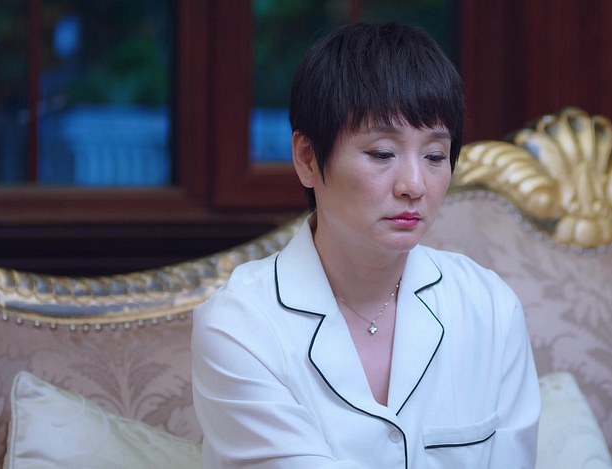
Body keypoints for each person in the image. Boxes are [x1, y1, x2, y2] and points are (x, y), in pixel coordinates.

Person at [191, 22, 540, 468]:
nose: (414, 185)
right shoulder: (241, 326)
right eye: (382, 154)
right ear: (307, 158)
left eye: (435, 156)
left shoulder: (488, 307)